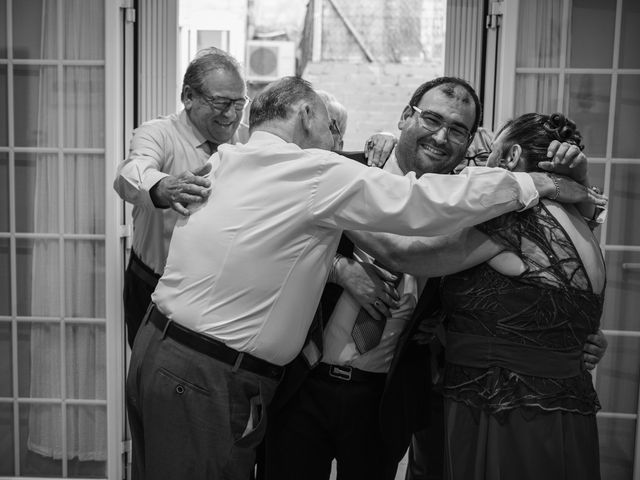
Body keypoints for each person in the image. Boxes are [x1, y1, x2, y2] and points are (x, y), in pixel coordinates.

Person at [125, 76, 604, 480]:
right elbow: (407, 213)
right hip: (295, 387)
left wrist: (567, 336)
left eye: (458, 130)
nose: (441, 136)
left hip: (383, 400)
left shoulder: (476, 203)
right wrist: (341, 269)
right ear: (405, 117)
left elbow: (532, 275)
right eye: (431, 119)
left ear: (471, 143)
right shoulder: (342, 169)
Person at [352, 112, 605, 479]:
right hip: (565, 411)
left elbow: (402, 253)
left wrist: (331, 203)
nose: (482, 158)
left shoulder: (514, 216)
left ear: (511, 157)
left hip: (505, 408)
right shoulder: (580, 221)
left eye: (492, 151)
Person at [112, 47, 246, 347]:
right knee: (149, 381)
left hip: (220, 291)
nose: (231, 115)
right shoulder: (158, 133)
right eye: (221, 102)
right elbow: (129, 173)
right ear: (188, 96)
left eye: (239, 103)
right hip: (153, 284)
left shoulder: (249, 141)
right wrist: (163, 187)